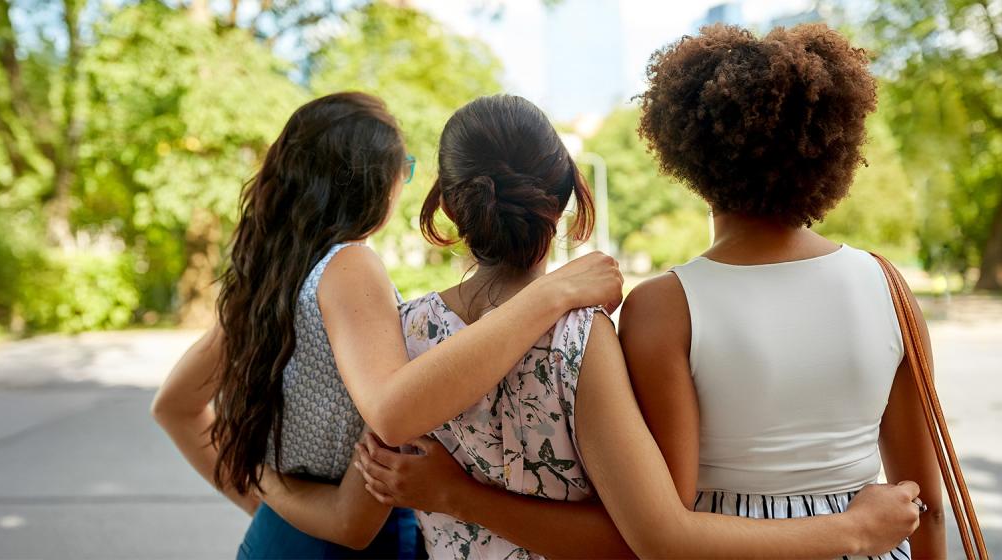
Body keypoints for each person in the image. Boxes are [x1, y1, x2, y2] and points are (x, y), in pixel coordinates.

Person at [349, 94, 925, 559]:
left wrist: (449, 497)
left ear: (448, 205)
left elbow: (357, 507)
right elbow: (641, 539)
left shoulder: (405, 332)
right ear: (567, 197)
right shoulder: (580, 340)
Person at [150, 92, 624, 559]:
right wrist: (551, 293)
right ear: (380, 182)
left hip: (279, 537)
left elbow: (174, 405)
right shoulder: (351, 266)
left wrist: (266, 489)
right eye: (407, 167)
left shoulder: (267, 279)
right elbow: (356, 507)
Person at [613, 23, 947, 559]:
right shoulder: (888, 286)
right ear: (829, 147)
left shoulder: (663, 307)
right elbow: (924, 504)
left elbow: (670, 519)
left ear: (689, 154)